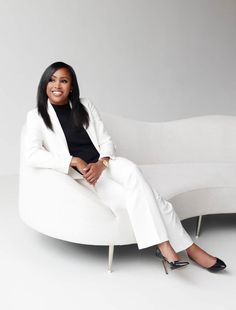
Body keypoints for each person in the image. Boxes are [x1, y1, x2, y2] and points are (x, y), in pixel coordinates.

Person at [25, 61, 226, 274]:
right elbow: (32, 154)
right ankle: (187, 248)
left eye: (64, 81)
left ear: (72, 86)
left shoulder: (85, 106)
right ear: (44, 84)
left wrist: (102, 163)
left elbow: (106, 141)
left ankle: (165, 248)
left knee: (131, 170)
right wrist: (73, 160)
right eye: (52, 80)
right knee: (152, 198)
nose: (57, 85)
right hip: (89, 177)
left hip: (107, 164)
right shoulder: (36, 116)